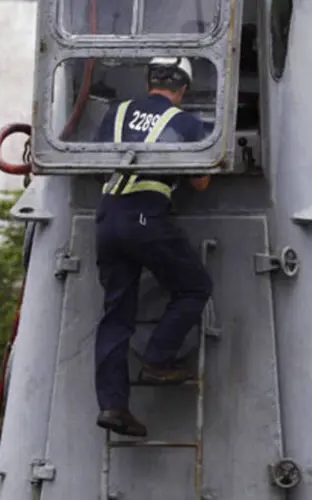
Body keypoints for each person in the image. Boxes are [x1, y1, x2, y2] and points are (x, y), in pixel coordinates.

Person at [93, 57, 214, 437]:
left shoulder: (117, 112)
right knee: (195, 286)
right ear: (182, 89)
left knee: (116, 315)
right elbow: (200, 183)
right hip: (147, 216)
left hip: (108, 216)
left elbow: (98, 157)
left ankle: (113, 406)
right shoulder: (188, 123)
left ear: (149, 82)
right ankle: (158, 360)